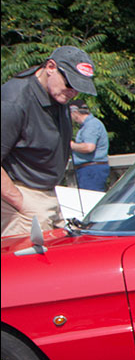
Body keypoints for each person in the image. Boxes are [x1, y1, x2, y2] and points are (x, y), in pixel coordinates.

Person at [1, 45, 98, 237]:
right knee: (28, 266)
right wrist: (21, 202)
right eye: (70, 84)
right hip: (21, 198)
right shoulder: (13, 100)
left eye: (79, 88)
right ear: (51, 67)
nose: (73, 92)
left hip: (48, 195)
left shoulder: (56, 95)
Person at [68, 99, 110, 192]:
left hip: (91, 170)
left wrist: (71, 145)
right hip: (90, 169)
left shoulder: (91, 125)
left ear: (75, 112)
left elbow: (89, 147)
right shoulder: (89, 125)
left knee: (90, 201)